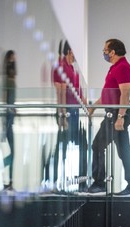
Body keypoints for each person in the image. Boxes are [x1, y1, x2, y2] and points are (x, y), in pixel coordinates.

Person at [87, 38, 130, 197]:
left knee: (97, 146)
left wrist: (121, 116)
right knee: (124, 151)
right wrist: (94, 106)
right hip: (113, 112)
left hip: (117, 113)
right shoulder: (115, 68)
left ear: (113, 51)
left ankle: (99, 184)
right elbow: (108, 94)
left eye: (105, 49)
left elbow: (125, 93)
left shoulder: (123, 67)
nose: (103, 52)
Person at [52, 40, 85, 191]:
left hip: (74, 111)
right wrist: (62, 114)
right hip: (67, 112)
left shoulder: (72, 68)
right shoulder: (62, 66)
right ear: (70, 51)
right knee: (63, 146)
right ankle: (56, 181)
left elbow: (77, 92)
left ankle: (72, 181)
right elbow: (61, 92)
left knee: (72, 145)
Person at [3, 50, 16, 190]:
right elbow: (5, 98)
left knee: (13, 152)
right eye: (11, 60)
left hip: (11, 119)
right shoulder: (7, 80)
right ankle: (7, 179)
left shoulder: (12, 79)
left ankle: (10, 182)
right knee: (12, 152)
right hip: (7, 120)